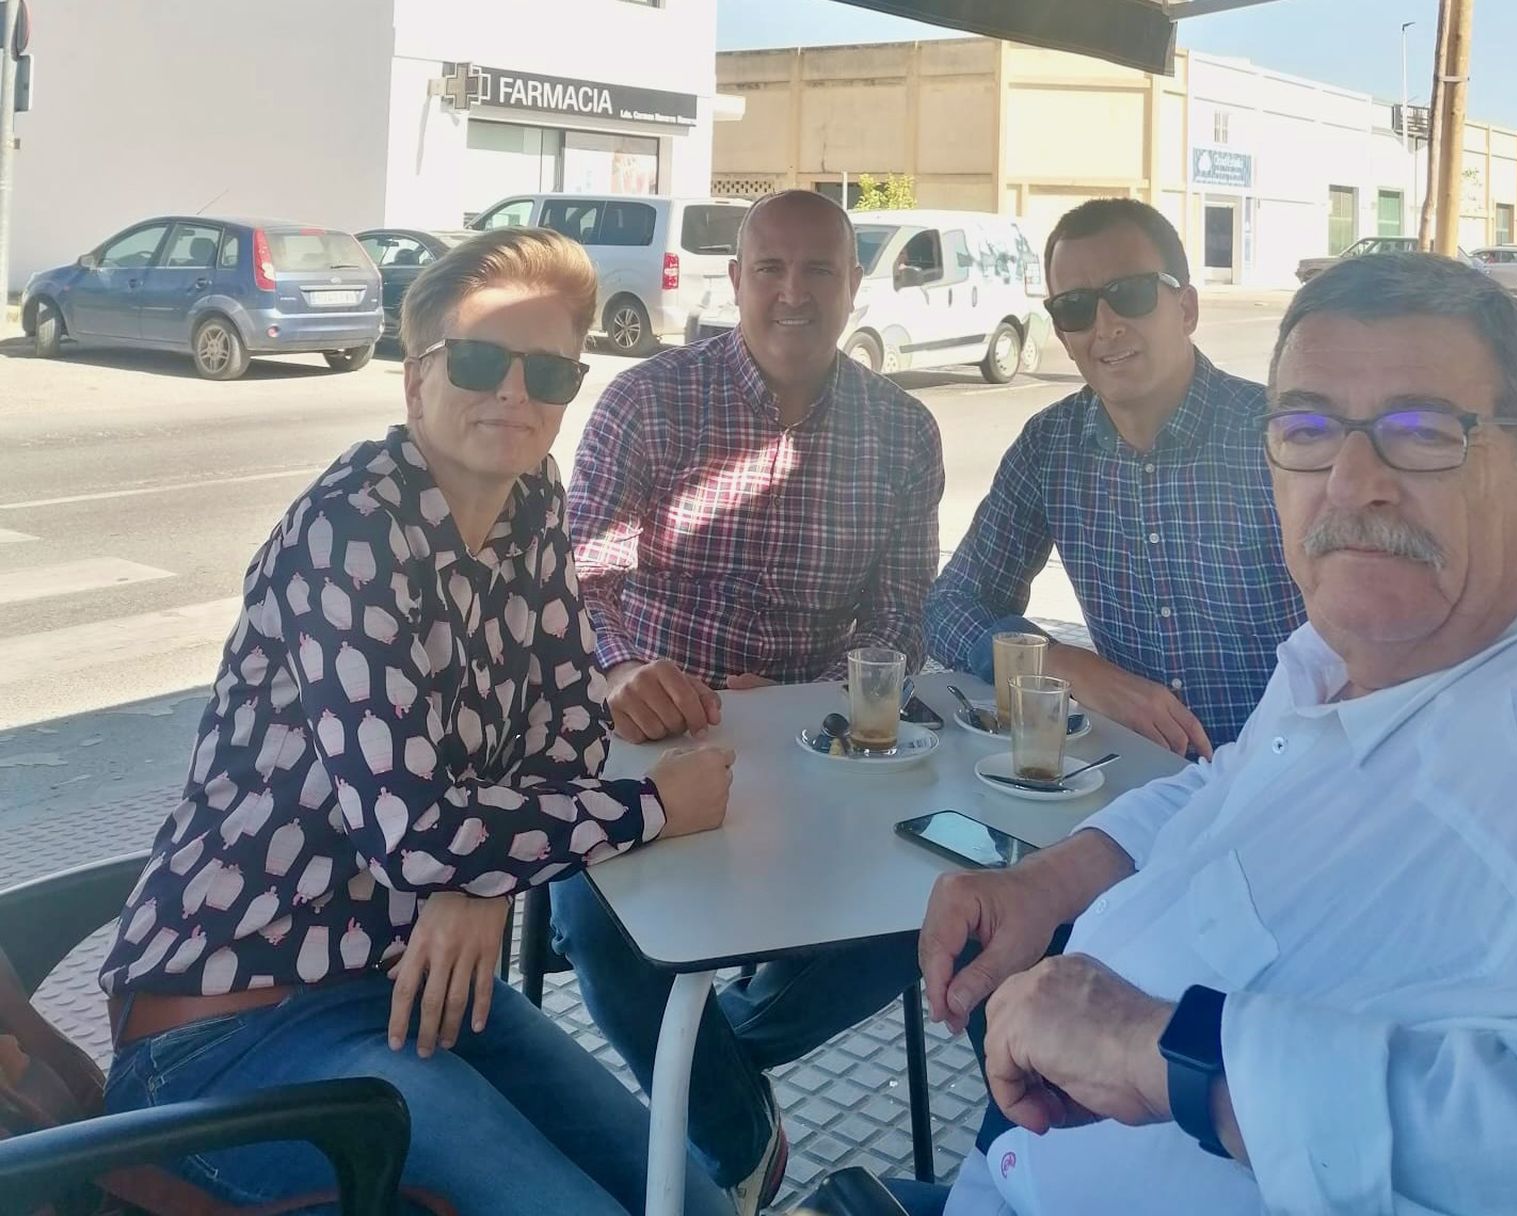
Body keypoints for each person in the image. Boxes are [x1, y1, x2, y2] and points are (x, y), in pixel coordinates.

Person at [907, 252, 1517, 1214]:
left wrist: (1178, 1057)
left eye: (1423, 433)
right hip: (1014, 1164)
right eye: (1308, 432)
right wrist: (1050, 880)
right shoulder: (1375, 640)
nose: (1352, 483)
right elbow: (1242, 778)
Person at [97, 228, 736, 1216]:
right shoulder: (350, 530)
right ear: (414, 379)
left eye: (548, 372)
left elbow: (567, 732)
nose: (513, 394)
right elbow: (417, 834)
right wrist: (652, 806)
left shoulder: (532, 500)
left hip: (407, 984)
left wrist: (476, 883)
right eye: (478, 361)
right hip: (227, 1031)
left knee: (686, 1197)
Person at [554, 189, 944, 1213]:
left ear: (853, 286)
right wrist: (621, 669)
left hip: (821, 749)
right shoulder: (646, 401)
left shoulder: (904, 432)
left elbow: (903, 617)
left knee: (934, 896)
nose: (793, 292)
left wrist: (822, 691)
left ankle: (715, 1056)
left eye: (819, 270)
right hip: (654, 734)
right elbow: (579, 579)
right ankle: (737, 1140)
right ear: (735, 281)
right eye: (770, 268)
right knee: (591, 912)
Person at [924, 198, 1305, 757]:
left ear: (1187, 309)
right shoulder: (1052, 447)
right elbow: (950, 605)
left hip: (1291, 774)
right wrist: (1063, 665)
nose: (1105, 327)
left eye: (1131, 293)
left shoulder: (1282, 439)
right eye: (1076, 308)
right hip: (1137, 777)